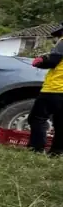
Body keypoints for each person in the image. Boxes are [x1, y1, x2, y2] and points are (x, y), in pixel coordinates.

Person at [28, 24, 63, 156]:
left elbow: (53, 61)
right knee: (61, 123)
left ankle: (36, 149)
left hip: (55, 89)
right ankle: (57, 152)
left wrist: (41, 61)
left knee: (37, 118)